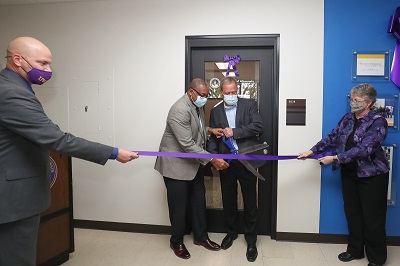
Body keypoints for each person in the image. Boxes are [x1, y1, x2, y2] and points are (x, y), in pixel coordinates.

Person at [0, 37, 139, 266]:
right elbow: (57, 139)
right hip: (14, 201)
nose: (48, 70)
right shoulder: (11, 93)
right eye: (42, 63)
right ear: (17, 60)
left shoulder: (15, 87)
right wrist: (114, 152)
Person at [298, 83, 389, 266]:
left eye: (357, 100)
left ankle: (377, 259)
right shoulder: (348, 118)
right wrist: (312, 150)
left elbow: (365, 149)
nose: (353, 103)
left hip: (372, 175)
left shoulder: (378, 122)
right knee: (352, 213)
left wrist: (335, 157)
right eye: (351, 99)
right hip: (350, 172)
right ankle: (355, 251)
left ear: (369, 102)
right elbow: (333, 137)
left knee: (372, 218)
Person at [154, 78, 229, 259]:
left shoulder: (196, 106)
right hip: (176, 166)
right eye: (202, 95)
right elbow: (187, 143)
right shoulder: (179, 109)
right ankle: (176, 241)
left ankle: (201, 237)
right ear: (191, 92)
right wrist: (212, 158)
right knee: (179, 207)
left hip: (193, 164)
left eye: (206, 95)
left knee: (198, 202)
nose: (204, 99)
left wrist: (210, 130)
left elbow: (196, 128)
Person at [207, 77, 264, 262]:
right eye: (227, 93)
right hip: (226, 162)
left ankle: (251, 240)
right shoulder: (215, 112)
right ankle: (230, 234)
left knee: (250, 201)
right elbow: (213, 139)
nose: (231, 96)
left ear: (236, 91)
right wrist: (214, 157)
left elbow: (258, 126)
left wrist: (234, 131)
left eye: (234, 92)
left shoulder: (249, 105)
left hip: (247, 160)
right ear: (221, 93)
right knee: (228, 199)